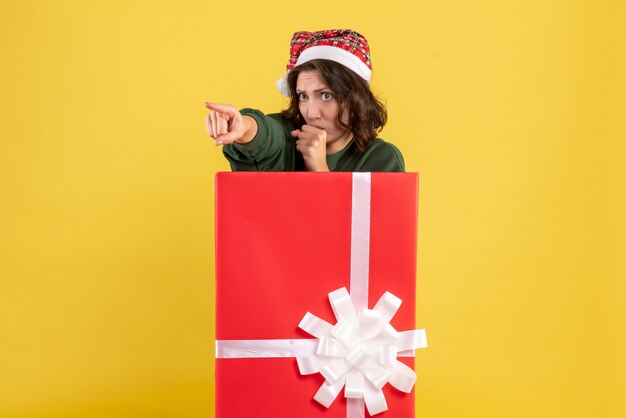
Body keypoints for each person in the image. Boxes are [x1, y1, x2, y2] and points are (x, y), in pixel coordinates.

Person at [204, 29, 405, 172]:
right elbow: (266, 133)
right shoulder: (289, 136)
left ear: (356, 98)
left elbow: (375, 229)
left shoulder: (381, 160)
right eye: (303, 96)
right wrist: (243, 126)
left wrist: (319, 170)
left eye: (326, 96)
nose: (311, 113)